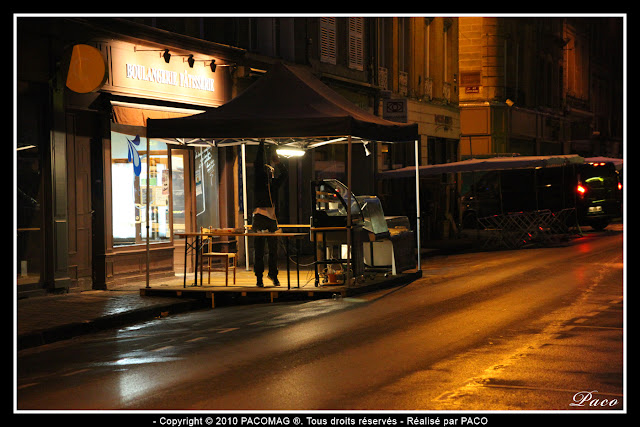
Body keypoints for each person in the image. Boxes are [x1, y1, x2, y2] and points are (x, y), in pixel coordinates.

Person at [252, 140, 288, 287]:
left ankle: (273, 274)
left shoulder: (273, 185)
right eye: (269, 172)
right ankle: (259, 277)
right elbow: (257, 165)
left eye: (272, 172)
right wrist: (261, 146)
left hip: (272, 219)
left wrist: (278, 162)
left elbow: (285, 174)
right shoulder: (259, 183)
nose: (271, 174)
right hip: (260, 217)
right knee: (259, 250)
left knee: (273, 250)